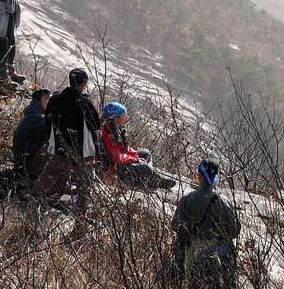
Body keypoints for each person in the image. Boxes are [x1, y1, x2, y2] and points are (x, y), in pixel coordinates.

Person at [171, 157, 241, 289]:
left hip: (193, 253)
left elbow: (176, 226)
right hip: (219, 252)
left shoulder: (187, 199)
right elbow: (234, 232)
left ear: (199, 175)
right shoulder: (225, 202)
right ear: (216, 177)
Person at [33, 69, 101, 216]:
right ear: (83, 84)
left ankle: (34, 197)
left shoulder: (56, 99)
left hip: (61, 146)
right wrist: (96, 147)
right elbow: (95, 125)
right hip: (82, 149)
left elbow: (48, 121)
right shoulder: (85, 102)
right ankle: (81, 212)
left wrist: (54, 141)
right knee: (84, 181)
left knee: (51, 172)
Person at [99, 102, 176, 189]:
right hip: (116, 169)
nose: (127, 117)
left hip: (123, 162)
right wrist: (135, 159)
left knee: (146, 153)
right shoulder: (107, 135)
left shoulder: (116, 129)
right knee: (145, 167)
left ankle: (149, 174)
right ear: (116, 117)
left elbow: (124, 148)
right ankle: (156, 179)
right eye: (124, 115)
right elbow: (117, 159)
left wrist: (135, 155)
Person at [12, 87, 52, 178]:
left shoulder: (35, 114)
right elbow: (53, 132)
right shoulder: (36, 117)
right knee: (56, 147)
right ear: (37, 101)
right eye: (47, 98)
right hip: (26, 165)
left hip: (27, 160)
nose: (50, 102)